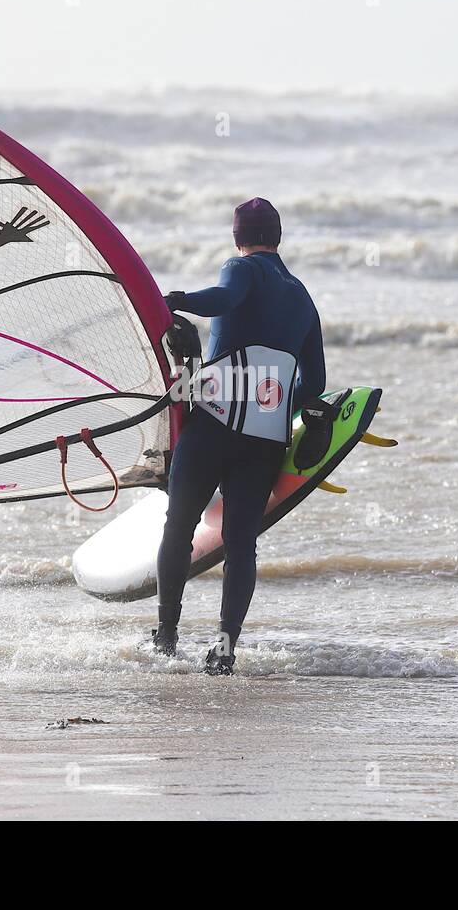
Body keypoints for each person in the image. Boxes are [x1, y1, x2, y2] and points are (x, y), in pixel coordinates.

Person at [153, 197, 325, 675]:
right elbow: (314, 383)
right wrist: (272, 408)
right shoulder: (304, 298)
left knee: (180, 525)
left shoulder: (240, 269)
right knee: (241, 542)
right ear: (279, 237)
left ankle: (166, 636)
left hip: (213, 424)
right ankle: (226, 645)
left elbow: (223, 300)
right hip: (263, 440)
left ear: (237, 237)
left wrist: (175, 301)